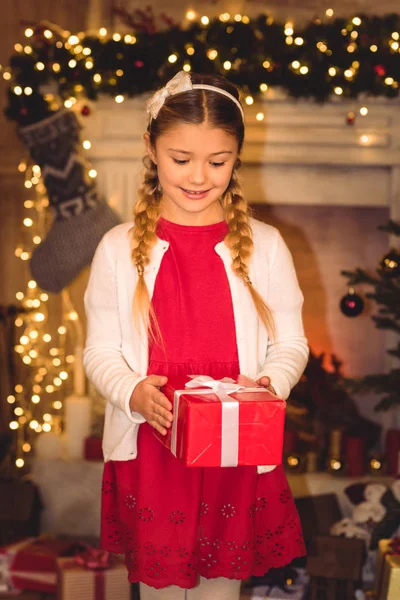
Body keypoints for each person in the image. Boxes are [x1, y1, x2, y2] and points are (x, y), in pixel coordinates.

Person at [83, 70, 309, 600]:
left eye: (218, 160)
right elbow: (100, 350)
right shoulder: (117, 249)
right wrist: (132, 391)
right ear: (151, 149)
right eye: (181, 159)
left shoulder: (267, 246)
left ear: (237, 157)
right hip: (154, 447)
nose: (199, 176)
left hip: (233, 448)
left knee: (220, 592)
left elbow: (291, 343)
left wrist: (265, 391)